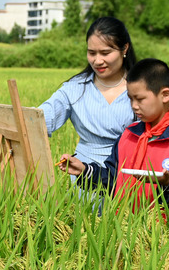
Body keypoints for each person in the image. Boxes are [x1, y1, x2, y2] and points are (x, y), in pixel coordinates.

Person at [62, 58, 169, 216]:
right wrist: (85, 170)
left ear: (165, 95)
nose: (133, 106)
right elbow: (115, 181)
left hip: (168, 234)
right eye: (130, 98)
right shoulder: (128, 136)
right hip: (124, 230)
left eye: (140, 99)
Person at [45, 17, 137, 183]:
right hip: (84, 176)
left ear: (125, 49)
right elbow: (40, 118)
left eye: (105, 53)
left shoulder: (141, 87)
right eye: (91, 53)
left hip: (129, 176)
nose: (97, 60)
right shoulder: (75, 88)